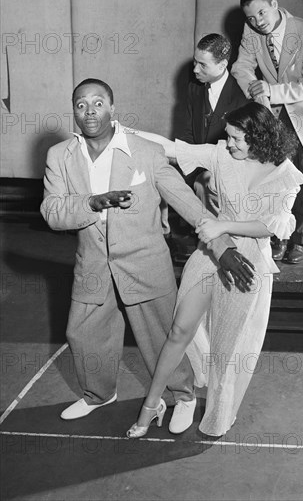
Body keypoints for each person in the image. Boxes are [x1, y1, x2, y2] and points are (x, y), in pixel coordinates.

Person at [40, 78, 254, 429]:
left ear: (112, 108)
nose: (89, 111)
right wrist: (92, 203)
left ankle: (182, 395)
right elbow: (52, 211)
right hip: (93, 266)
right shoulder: (59, 156)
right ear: (74, 112)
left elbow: (186, 202)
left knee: (161, 337)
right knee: (83, 334)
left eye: (97, 103)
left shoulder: (145, 152)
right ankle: (98, 394)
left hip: (145, 263)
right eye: (81, 104)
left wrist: (222, 245)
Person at [127, 102, 303, 438]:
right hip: (210, 252)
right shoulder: (222, 155)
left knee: (227, 350)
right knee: (180, 331)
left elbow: (275, 225)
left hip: (248, 263)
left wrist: (223, 225)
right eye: (229, 137)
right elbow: (171, 148)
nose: (230, 143)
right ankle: (151, 406)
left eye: (238, 138)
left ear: (259, 137)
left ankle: (218, 417)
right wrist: (124, 132)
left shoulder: (285, 173)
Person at [231, 0, 303, 263]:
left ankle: (301, 240)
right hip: (279, 115)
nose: (258, 22)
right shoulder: (252, 30)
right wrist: (254, 87)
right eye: (251, 18)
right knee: (280, 180)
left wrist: (269, 91)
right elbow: (240, 67)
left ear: (275, 4)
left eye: (262, 13)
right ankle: (280, 235)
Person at [178, 33, 247, 213]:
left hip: (232, 166)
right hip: (199, 163)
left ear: (222, 65)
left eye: (203, 65)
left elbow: (245, 151)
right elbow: (187, 131)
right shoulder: (194, 87)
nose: (195, 70)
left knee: (204, 184)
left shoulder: (242, 97)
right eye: (195, 62)